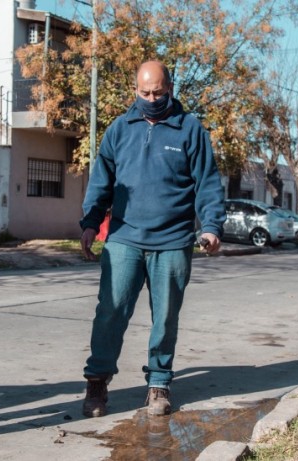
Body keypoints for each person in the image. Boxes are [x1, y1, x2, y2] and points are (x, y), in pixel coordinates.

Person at [79, 60, 226, 418]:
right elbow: (101, 182)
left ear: (170, 89)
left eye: (158, 92)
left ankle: (159, 384)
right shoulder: (119, 129)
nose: (151, 98)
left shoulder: (190, 130)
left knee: (165, 317)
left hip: (173, 241)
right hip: (124, 239)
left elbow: (207, 183)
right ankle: (97, 383)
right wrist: (89, 223)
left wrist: (211, 226)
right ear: (135, 90)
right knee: (110, 313)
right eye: (145, 92)